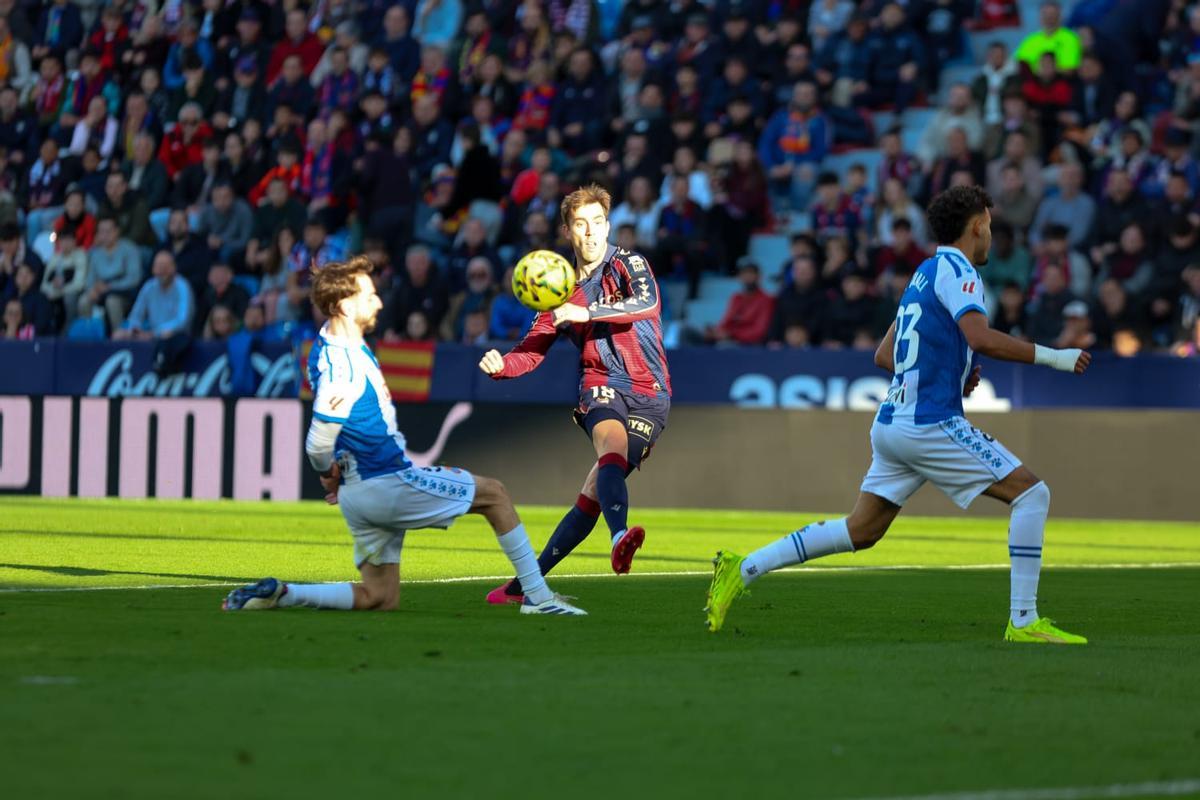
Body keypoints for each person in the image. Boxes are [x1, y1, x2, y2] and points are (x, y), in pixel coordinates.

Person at [705, 185, 1093, 645]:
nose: (990, 234)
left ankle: (744, 567)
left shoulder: (923, 275)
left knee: (862, 529)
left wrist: (950, 369)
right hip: (928, 422)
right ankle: (1025, 620)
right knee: (1032, 495)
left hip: (892, 423)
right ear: (977, 226)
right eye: (988, 224)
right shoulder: (961, 273)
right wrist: (1057, 357)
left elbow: (885, 353)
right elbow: (981, 337)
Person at [223, 255, 585, 616]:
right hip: (385, 482)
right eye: (369, 295)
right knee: (495, 495)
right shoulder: (343, 366)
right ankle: (538, 598)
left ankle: (283, 594)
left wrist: (339, 475)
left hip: (360, 494)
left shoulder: (330, 344)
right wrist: (326, 472)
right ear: (345, 305)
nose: (378, 301)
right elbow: (319, 439)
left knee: (380, 597)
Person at [479, 184, 671, 604]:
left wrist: (586, 312)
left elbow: (648, 304)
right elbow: (529, 353)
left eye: (598, 223)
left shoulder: (628, 263)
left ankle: (522, 588)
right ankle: (620, 535)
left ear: (608, 225)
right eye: (581, 224)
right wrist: (501, 367)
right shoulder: (557, 289)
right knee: (612, 449)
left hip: (651, 393)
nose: (591, 233)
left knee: (596, 489)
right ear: (567, 230)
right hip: (599, 385)